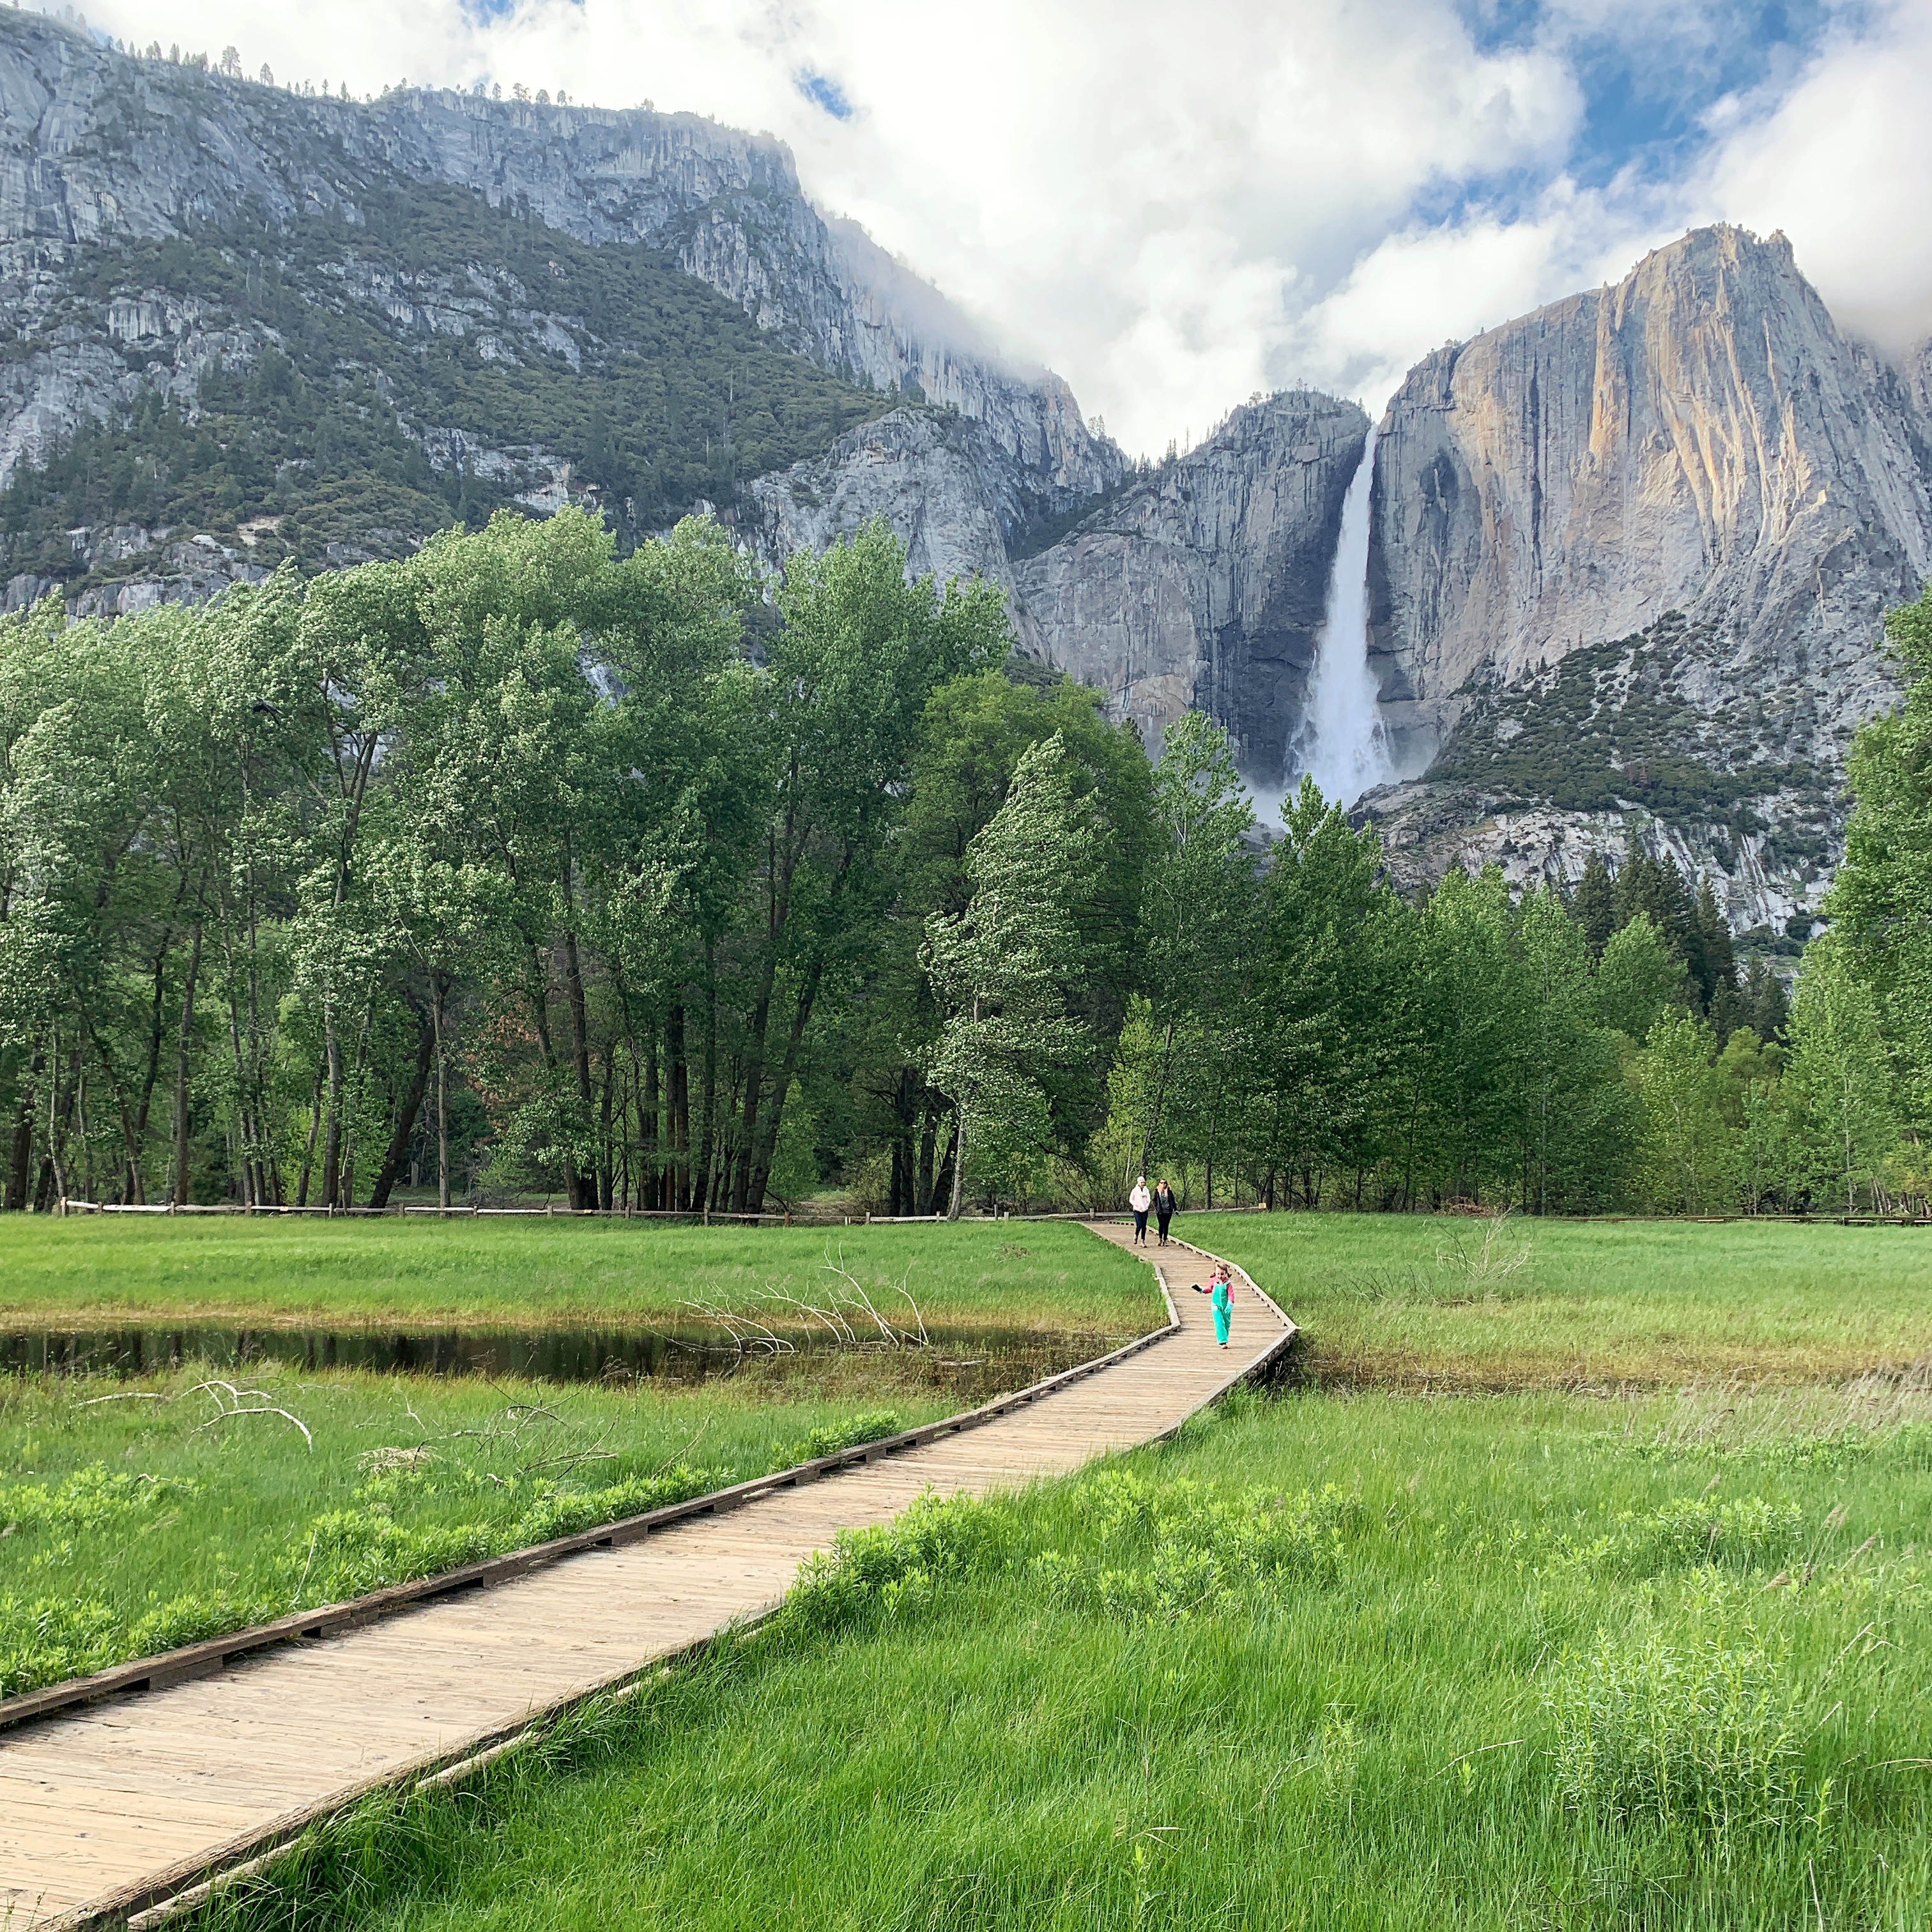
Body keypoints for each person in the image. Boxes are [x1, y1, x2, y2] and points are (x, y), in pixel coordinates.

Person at [1191, 1262, 1234, 1347]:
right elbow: (1208, 1289)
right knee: (1219, 1322)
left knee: (1226, 1323)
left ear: (1226, 1273)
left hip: (1225, 1306)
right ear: (1215, 1273)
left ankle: (1224, 1338)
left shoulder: (1228, 1284)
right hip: (1216, 1305)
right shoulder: (1214, 1281)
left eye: (1222, 1274)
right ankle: (1222, 1342)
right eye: (1218, 1274)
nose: (1220, 1276)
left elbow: (1231, 1294)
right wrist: (1201, 1290)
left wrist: (1230, 1303)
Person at [1128, 1174, 1152, 1245]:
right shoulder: (1135, 1190)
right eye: (1141, 1183)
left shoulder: (1146, 1190)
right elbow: (1131, 1199)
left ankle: (1143, 1241)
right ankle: (1136, 1235)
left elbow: (1148, 1199)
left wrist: (1147, 1205)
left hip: (1145, 1209)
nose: (1142, 1184)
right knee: (1139, 1225)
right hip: (1137, 1210)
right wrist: (1135, 1204)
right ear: (1138, 1183)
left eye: (1143, 1183)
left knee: (1144, 1226)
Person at [1153, 1179, 1176, 1245]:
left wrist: (1175, 1209)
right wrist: (1157, 1207)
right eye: (1162, 1183)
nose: (1163, 1184)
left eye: (1164, 1183)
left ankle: (1165, 1240)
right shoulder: (1157, 1191)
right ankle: (1160, 1239)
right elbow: (1154, 1200)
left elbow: (1173, 1200)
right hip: (1160, 1211)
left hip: (1168, 1211)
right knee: (1161, 1225)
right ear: (1159, 1184)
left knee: (1166, 1226)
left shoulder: (1169, 1191)